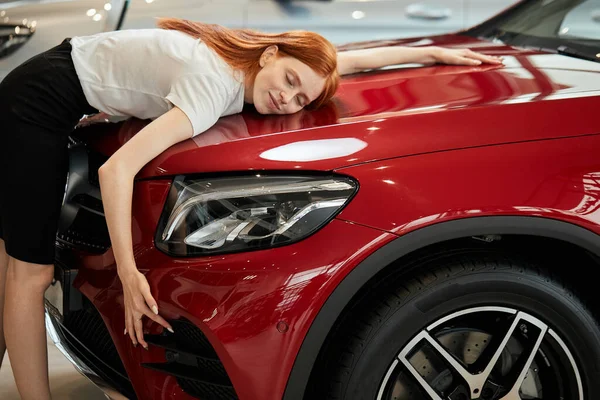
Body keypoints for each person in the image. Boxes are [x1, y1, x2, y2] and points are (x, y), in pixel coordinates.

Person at [0, 17, 503, 399]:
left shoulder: (253, 65)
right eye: (287, 80)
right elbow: (117, 172)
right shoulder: (212, 86)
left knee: (7, 267)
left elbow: (342, 62)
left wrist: (437, 52)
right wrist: (130, 276)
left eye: (299, 96)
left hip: (45, 82)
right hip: (35, 108)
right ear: (269, 55)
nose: (287, 98)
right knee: (29, 274)